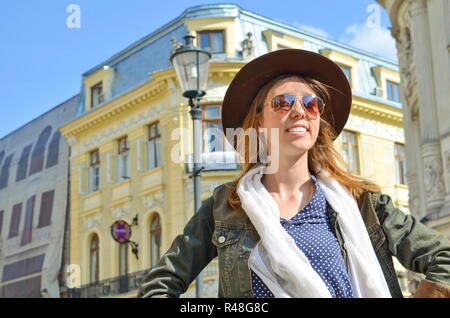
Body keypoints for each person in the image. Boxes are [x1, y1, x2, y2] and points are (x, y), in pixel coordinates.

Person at [138, 49, 450, 298]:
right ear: (258, 121)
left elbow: (444, 259)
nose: (299, 110)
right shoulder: (225, 207)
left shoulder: (364, 204)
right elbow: (160, 284)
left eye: (312, 103)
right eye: (282, 102)